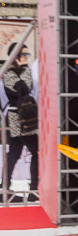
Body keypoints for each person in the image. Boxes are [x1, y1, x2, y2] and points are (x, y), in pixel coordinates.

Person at [3, 43, 38, 200]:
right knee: (34, 152)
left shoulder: (22, 71)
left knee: (15, 153)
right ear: (15, 56)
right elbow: (23, 89)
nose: (26, 57)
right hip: (17, 118)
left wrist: (24, 69)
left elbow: (26, 87)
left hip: (24, 116)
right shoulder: (8, 72)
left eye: (27, 54)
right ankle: (32, 189)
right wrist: (24, 68)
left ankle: (5, 187)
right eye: (24, 54)